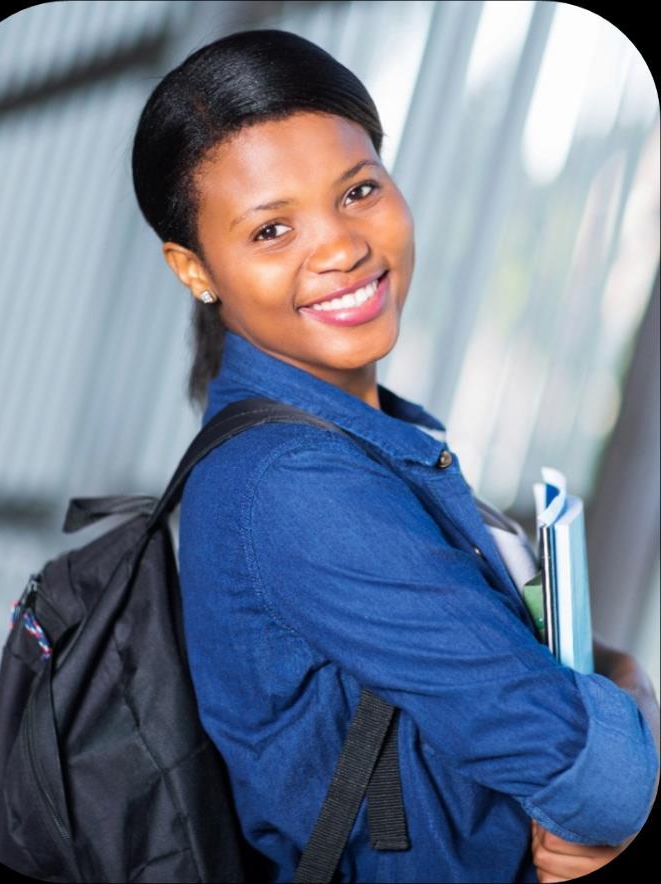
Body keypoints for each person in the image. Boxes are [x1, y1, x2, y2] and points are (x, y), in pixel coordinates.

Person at [131, 28, 659, 883]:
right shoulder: (292, 485)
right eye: (272, 230)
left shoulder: (356, 436)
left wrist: (620, 690)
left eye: (358, 190)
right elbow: (608, 788)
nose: (342, 248)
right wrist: (627, 694)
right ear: (194, 269)